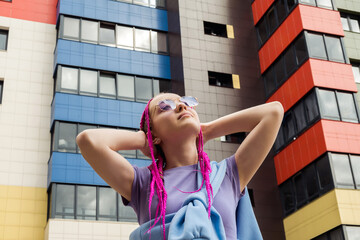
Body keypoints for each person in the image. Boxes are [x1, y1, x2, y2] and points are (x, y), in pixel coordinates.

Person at [76, 92, 284, 239]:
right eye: (165, 106)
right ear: (154, 134)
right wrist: (144, 140)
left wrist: (208, 129)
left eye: (186, 102)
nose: (182, 106)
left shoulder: (228, 174)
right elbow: (88, 141)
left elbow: (273, 113)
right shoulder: (142, 184)